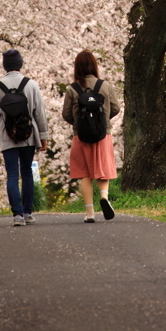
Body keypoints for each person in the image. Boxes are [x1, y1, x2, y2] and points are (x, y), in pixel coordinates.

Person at [0, 47, 49, 227]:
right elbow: (40, 114)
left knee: (12, 174)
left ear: (5, 66)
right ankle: (28, 212)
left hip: (7, 137)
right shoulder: (31, 85)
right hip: (29, 135)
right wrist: (43, 136)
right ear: (20, 64)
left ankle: (17, 215)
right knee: (27, 172)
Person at [62, 50, 120, 222]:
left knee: (85, 173)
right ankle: (103, 196)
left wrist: (81, 123)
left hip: (81, 136)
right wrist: (101, 121)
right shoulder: (105, 86)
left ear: (77, 67)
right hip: (103, 134)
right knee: (103, 169)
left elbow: (66, 114)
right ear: (94, 65)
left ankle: (89, 213)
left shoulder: (72, 89)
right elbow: (116, 108)